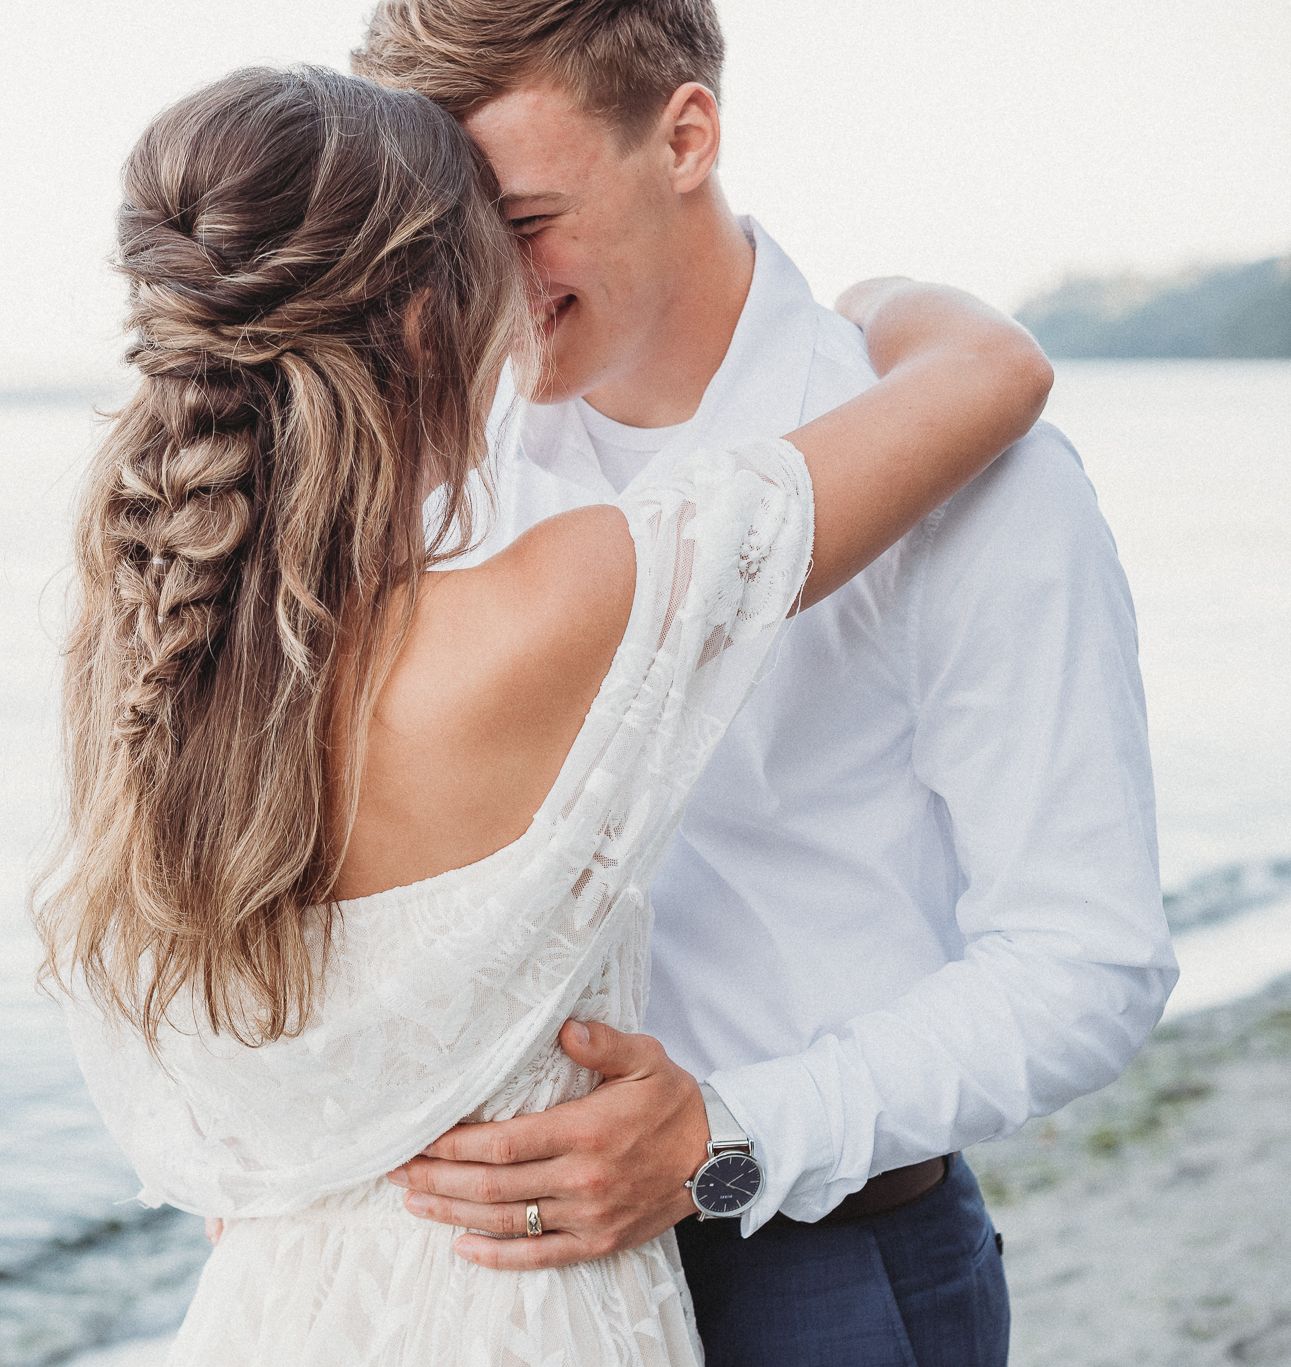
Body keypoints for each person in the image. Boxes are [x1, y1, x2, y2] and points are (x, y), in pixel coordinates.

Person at [41, 64, 1051, 1366]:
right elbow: (991, 373)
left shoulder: (138, 650)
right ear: (428, 327)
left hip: (278, 1308)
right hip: (517, 1310)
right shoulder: (554, 602)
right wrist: (882, 299)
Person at [350, 2, 1174, 1363]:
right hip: (477, 1290)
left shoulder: (986, 478)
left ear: (686, 136)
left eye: (528, 218)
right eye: (443, 239)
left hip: (821, 1276)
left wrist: (723, 1142)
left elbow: (1089, 961)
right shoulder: (437, 468)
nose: (482, 282)